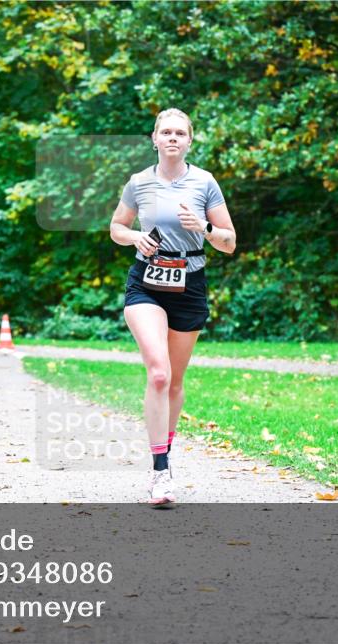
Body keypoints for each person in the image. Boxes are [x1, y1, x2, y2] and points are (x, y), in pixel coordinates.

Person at [109, 108, 237, 505]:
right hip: (146, 282)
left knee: (176, 382)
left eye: (180, 133)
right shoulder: (139, 183)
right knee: (159, 374)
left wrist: (205, 228)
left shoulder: (205, 183)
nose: (172, 138)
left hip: (190, 283)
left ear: (189, 141)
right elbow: (116, 228)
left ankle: (165, 449)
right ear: (154, 138)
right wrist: (135, 238)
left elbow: (229, 242)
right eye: (166, 131)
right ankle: (160, 470)